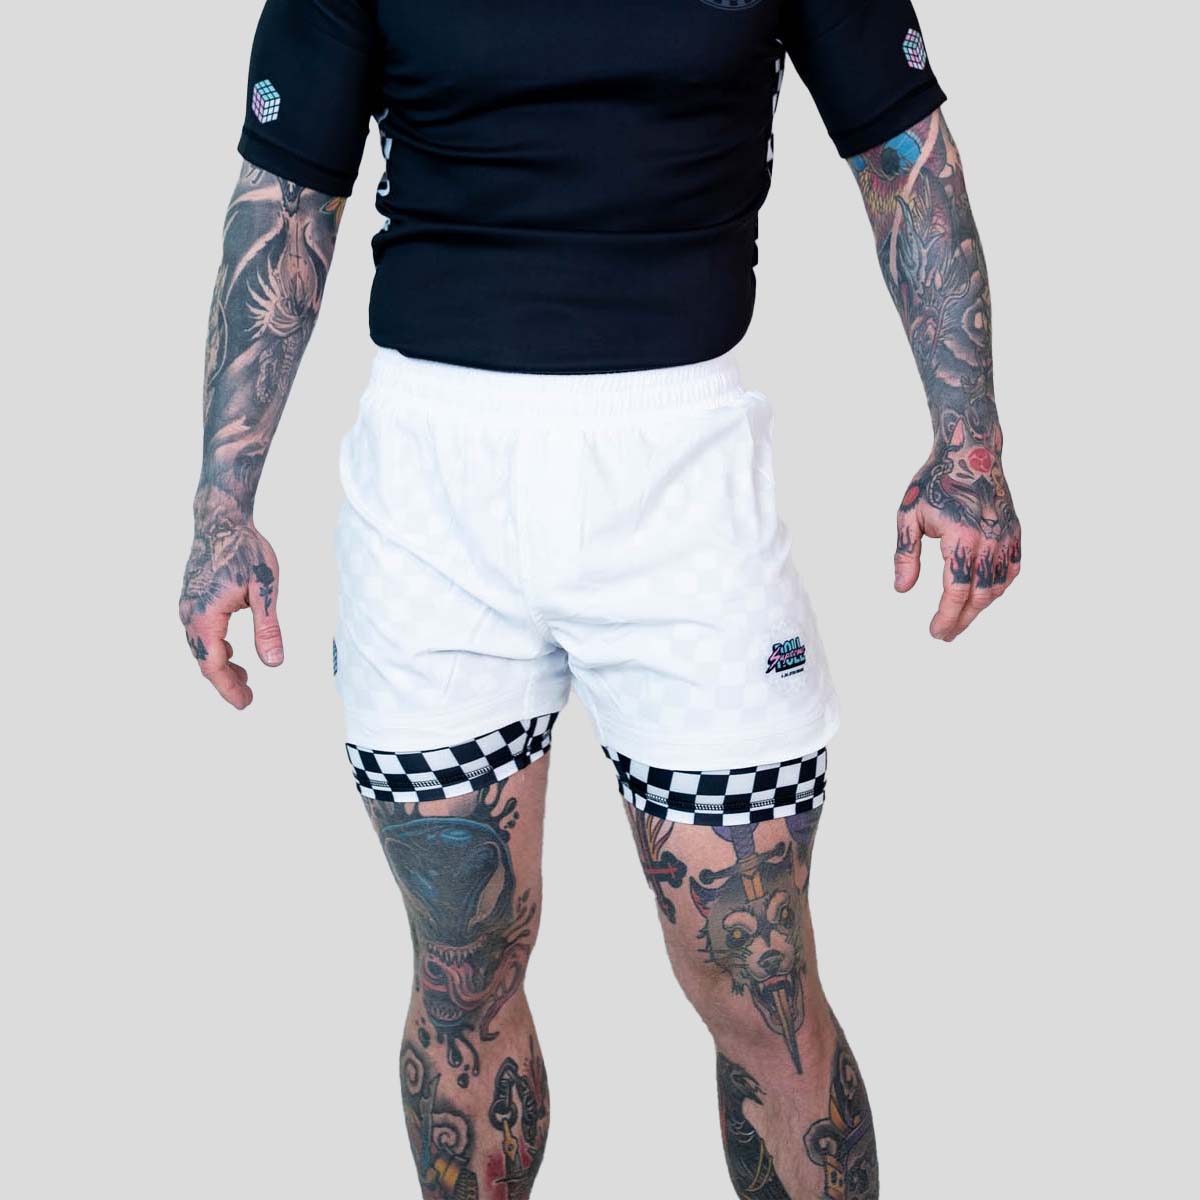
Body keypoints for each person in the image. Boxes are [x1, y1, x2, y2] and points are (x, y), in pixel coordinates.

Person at [180, 2, 1021, 1195]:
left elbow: (903, 154)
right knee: (463, 972)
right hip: (433, 485)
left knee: (760, 980)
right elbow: (287, 197)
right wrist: (222, 506)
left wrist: (969, 446)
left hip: (682, 472)